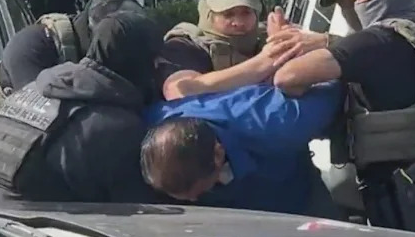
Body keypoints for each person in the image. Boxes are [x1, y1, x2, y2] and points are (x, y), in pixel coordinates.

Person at [272, 0, 415, 236]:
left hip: (400, 200)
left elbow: (287, 78)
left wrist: (281, 48)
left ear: (375, 0)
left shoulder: (374, 43)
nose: (355, 6)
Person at [0, 12, 164, 204]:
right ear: (143, 63)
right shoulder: (117, 129)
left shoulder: (34, 90)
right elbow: (145, 214)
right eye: (156, 63)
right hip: (16, 225)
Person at [141, 82, 343, 218]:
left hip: (297, 199)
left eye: (201, 191)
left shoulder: (282, 122)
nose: (194, 200)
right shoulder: (151, 121)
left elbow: (333, 83)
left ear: (218, 153)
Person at [156, 0, 316, 101]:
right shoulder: (184, 45)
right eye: (228, 14)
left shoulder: (268, 37)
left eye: (246, 12)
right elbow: (178, 91)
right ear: (206, 12)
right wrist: (269, 59)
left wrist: (288, 48)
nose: (238, 22)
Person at [0, 0, 143, 116]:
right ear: (91, 31)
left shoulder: (128, 51)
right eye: (114, 35)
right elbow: (36, 117)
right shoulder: (33, 45)